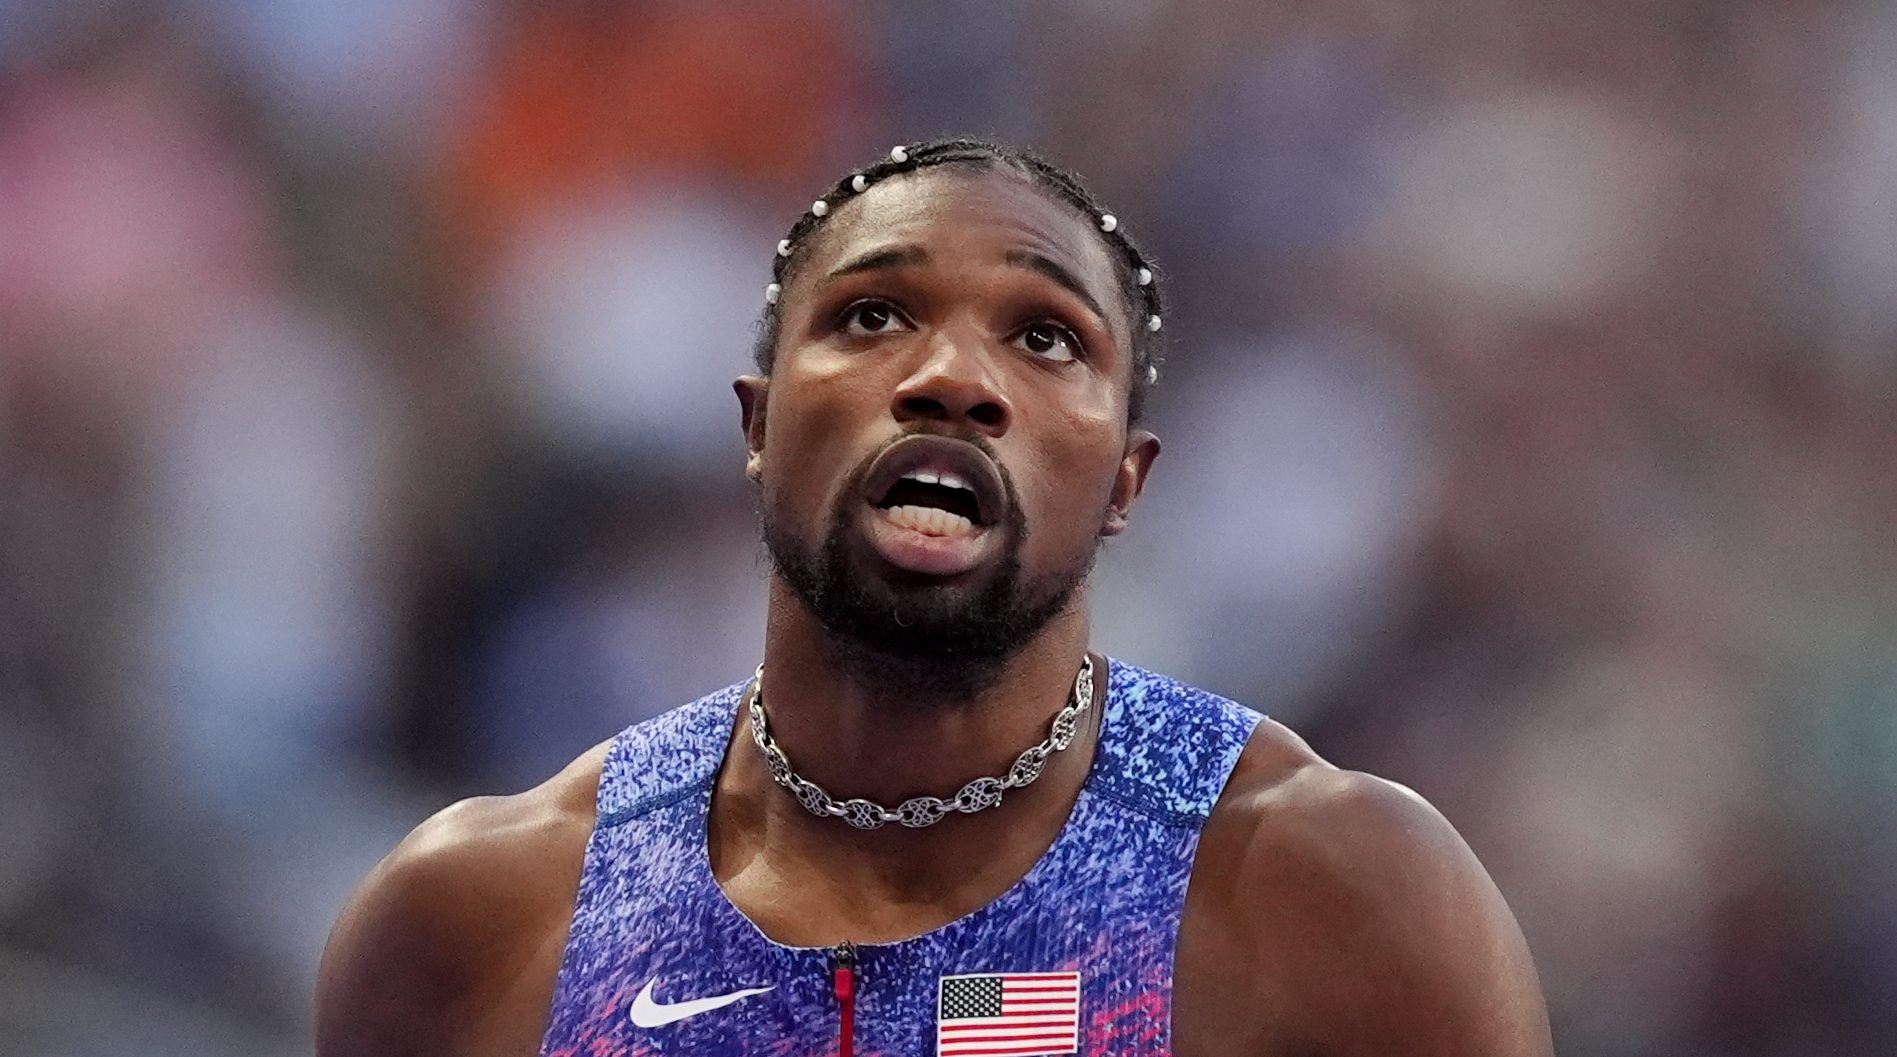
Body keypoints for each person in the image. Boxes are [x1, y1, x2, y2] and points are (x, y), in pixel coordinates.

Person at [316, 138, 1554, 1057]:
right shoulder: (481, 918)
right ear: (757, 425)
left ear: (1125, 480)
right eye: (872, 314)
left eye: (1047, 337)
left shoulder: (1336, 897)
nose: (953, 376)